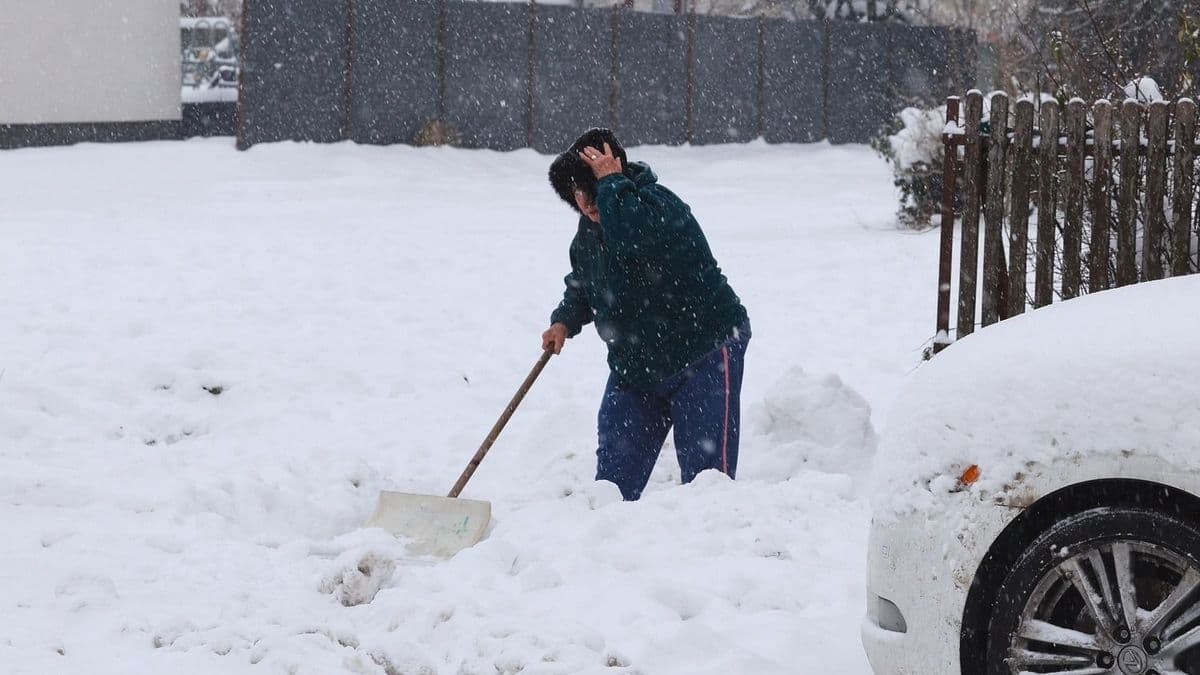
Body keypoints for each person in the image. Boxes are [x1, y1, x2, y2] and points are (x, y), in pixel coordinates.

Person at [542, 128, 750, 501]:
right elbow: (584, 282)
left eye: (591, 187)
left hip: (702, 351)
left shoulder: (658, 207)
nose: (585, 201)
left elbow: (630, 236)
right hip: (635, 366)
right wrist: (564, 320)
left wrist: (611, 183)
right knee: (610, 489)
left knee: (707, 489)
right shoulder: (589, 230)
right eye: (577, 192)